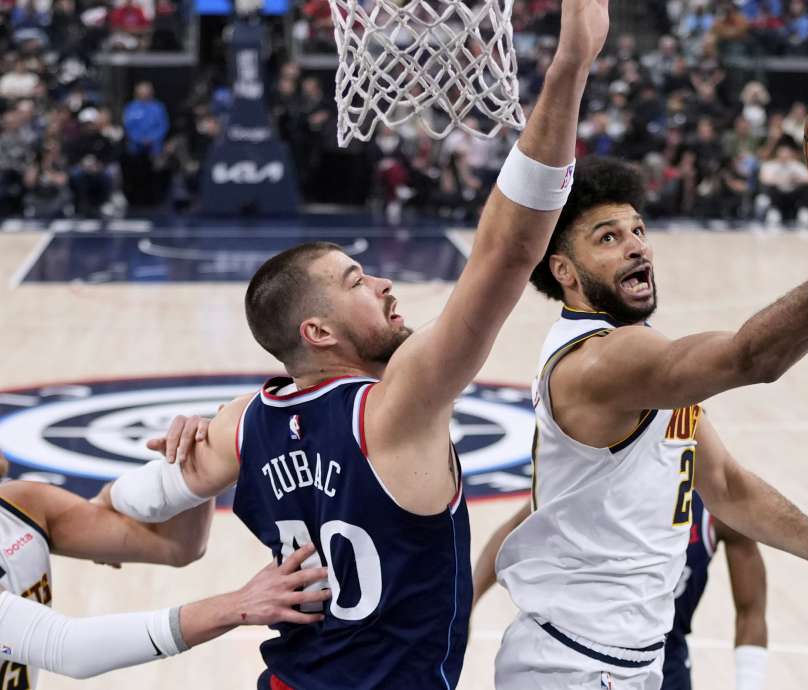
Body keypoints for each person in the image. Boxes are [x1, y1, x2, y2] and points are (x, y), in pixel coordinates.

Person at [100, 2, 611, 688]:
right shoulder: (395, 407)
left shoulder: (243, 424)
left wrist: (154, 488)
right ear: (318, 332)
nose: (384, 283)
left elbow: (130, 504)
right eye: (356, 280)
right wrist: (571, 66)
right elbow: (510, 251)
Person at [491, 155, 808, 690]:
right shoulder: (598, 362)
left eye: (638, 229)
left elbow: (727, 486)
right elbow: (751, 359)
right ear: (564, 271)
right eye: (608, 238)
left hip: (626, 659)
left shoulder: (643, 367)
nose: (637, 245)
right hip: (570, 666)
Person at [0, 451, 328, 687]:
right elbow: (67, 648)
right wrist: (236, 606)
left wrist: (188, 466)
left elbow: (178, 546)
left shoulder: (21, 505)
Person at [474, 492, 769, 690]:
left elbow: (751, 612)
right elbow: (514, 527)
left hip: (668, 662)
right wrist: (466, 601)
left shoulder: (718, 510)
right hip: (589, 657)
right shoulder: (607, 477)